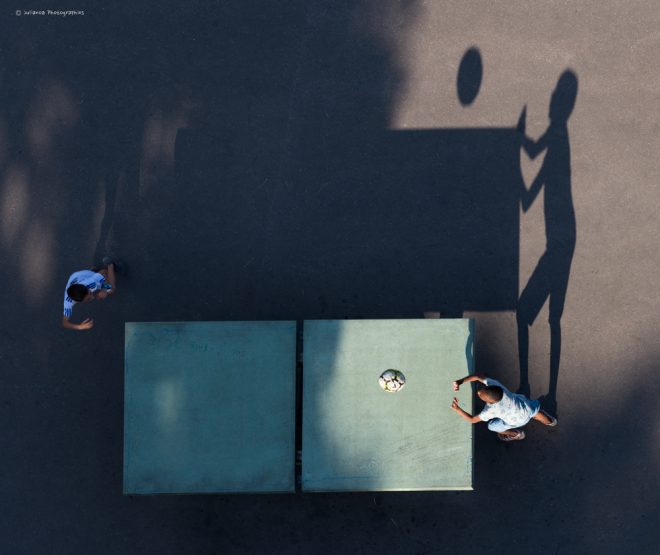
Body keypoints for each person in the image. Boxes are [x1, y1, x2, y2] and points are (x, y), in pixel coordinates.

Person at [450, 373, 557, 441]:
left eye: (480, 395)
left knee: (492, 426)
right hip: (526, 409)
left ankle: (516, 434)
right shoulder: (498, 386)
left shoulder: (490, 411)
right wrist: (459, 382)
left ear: (487, 402)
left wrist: (457, 408)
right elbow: (478, 376)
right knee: (535, 412)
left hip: (516, 422)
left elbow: (472, 419)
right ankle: (550, 421)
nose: (478, 393)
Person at [62, 256, 124, 331]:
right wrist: (80, 327)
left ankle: (110, 265)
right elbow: (65, 322)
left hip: (85, 275)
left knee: (111, 290)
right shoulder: (68, 302)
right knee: (100, 291)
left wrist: (104, 290)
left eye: (90, 293)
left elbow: (103, 273)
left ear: (87, 288)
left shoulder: (90, 283)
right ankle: (95, 271)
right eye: (88, 299)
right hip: (78, 277)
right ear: (77, 301)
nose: (92, 297)